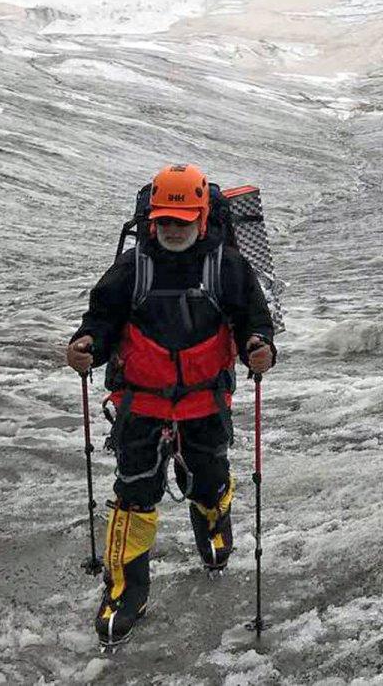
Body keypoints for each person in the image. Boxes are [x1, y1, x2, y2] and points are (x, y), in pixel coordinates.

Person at [65, 163, 276, 648]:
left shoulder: (228, 267)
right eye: (163, 220)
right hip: (141, 404)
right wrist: (87, 345)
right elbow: (101, 321)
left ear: (201, 219)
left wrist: (260, 346)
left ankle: (214, 524)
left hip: (206, 403)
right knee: (134, 494)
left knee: (209, 479)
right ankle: (124, 592)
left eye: (181, 221)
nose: (172, 229)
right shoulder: (130, 268)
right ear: (151, 220)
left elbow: (254, 321)